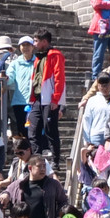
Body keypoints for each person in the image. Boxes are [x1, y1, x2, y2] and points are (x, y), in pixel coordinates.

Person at [3, 154, 64, 218]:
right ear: (30, 168)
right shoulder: (19, 184)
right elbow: (6, 192)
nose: (43, 169)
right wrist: (5, 195)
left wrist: (59, 215)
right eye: (39, 166)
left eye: (44, 166)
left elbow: (63, 201)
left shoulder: (53, 184)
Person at [31, 29, 67, 158]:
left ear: (44, 42)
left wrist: (55, 99)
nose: (34, 44)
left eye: (36, 41)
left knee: (50, 129)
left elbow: (59, 78)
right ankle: (36, 157)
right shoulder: (39, 57)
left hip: (49, 98)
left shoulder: (55, 55)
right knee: (33, 128)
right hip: (38, 98)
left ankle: (55, 160)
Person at [6, 36, 37, 141]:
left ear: (33, 47)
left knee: (35, 130)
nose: (26, 47)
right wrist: (5, 78)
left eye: (28, 45)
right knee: (22, 130)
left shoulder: (37, 61)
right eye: (23, 45)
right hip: (19, 102)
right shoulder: (15, 63)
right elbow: (10, 78)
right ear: (19, 47)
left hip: (34, 101)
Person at [77, 72, 110, 151]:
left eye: (106, 85)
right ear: (98, 86)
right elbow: (87, 120)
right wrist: (87, 140)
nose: (104, 88)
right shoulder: (92, 100)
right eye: (101, 85)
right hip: (96, 136)